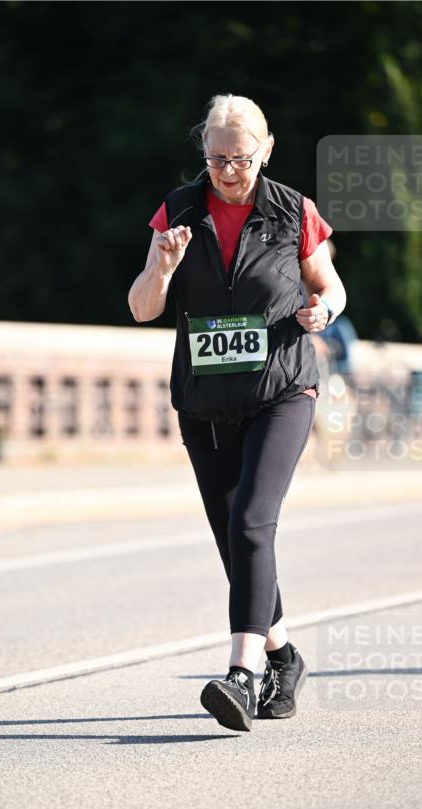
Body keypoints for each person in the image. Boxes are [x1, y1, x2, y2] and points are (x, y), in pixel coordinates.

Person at [128, 94, 346, 733]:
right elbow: (142, 308)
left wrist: (324, 311)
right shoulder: (178, 210)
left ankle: (242, 675)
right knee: (234, 539)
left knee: (252, 522)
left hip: (283, 391)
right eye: (217, 159)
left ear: (266, 150)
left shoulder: (293, 211)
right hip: (204, 403)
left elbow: (329, 284)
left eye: (241, 159)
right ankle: (284, 656)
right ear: (204, 152)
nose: (228, 171)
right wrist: (163, 268)